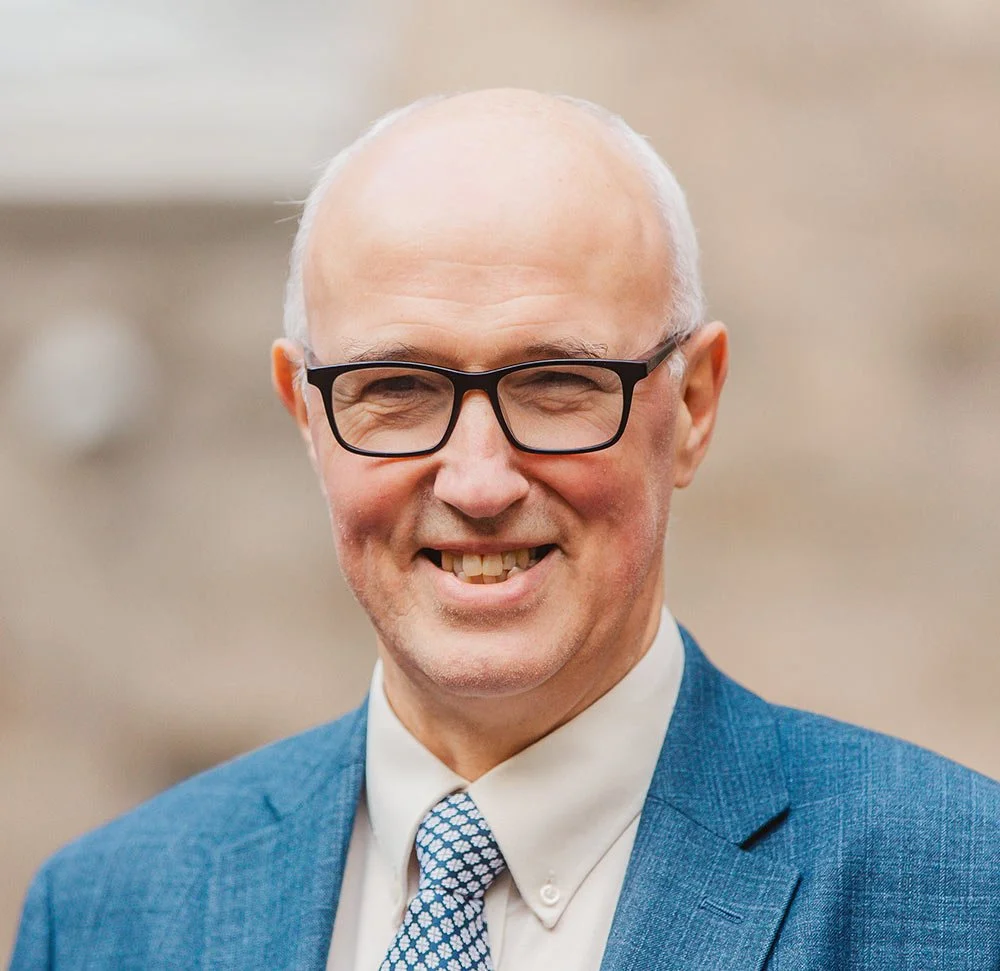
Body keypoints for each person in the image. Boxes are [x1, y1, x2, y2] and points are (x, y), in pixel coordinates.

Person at [9, 89, 1000, 971]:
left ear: (692, 403)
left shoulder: (960, 890)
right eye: (396, 387)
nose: (479, 481)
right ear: (306, 417)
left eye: (557, 383)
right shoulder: (109, 914)